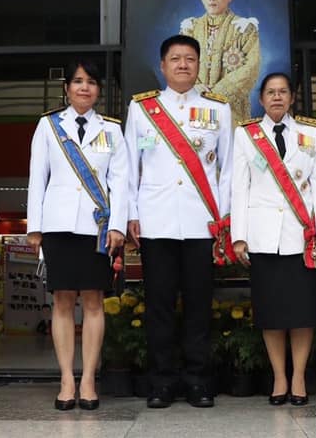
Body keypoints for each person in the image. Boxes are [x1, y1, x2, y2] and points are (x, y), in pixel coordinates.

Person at [125, 35, 233, 409]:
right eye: (175, 59)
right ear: (163, 66)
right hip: (156, 222)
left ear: (199, 65)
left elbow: (228, 169)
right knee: (159, 305)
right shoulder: (142, 109)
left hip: (201, 222)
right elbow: (129, 168)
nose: (183, 64)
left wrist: (225, 216)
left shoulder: (218, 110)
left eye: (190, 58)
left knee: (200, 305)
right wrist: (133, 214)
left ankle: (199, 380)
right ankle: (162, 381)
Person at [25, 59, 127, 411]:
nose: (85, 87)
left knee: (94, 302)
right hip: (58, 227)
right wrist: (34, 228)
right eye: (78, 81)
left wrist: (117, 224)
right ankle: (67, 378)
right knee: (63, 302)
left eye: (92, 82)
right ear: (67, 88)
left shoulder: (112, 129)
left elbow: (120, 182)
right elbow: (38, 176)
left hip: (96, 228)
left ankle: (89, 380)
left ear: (99, 90)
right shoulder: (49, 125)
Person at [231, 72, 316, 407]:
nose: (276, 97)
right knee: (272, 313)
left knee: (303, 312)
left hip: (301, 237)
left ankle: (299, 376)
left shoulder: (311, 132)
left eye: (283, 92)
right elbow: (239, 186)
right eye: (270, 92)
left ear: (292, 97)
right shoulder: (246, 134)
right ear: (261, 99)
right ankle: (279, 377)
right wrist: (239, 237)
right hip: (263, 238)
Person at [179, 0, 261, 124]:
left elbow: (252, 66)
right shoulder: (190, 28)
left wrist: (217, 93)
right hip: (196, 102)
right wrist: (196, 88)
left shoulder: (243, 28)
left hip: (231, 109)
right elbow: (181, 61)